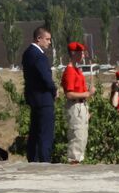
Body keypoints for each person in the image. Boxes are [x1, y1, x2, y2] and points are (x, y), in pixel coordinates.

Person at [22, 26, 56, 163]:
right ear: (39, 38)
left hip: (33, 98)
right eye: (47, 39)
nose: (49, 42)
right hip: (44, 99)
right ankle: (44, 160)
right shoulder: (39, 56)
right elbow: (46, 77)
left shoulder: (27, 53)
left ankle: (33, 159)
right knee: (45, 133)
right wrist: (54, 89)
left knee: (35, 131)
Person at [62, 42, 91, 164]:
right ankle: (74, 164)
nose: (83, 55)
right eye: (81, 52)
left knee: (82, 138)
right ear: (73, 53)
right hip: (75, 106)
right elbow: (69, 94)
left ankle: (77, 163)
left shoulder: (77, 70)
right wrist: (86, 94)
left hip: (81, 106)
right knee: (77, 137)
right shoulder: (70, 71)